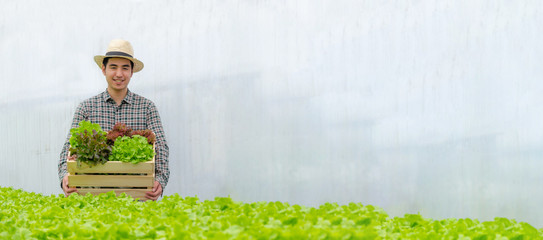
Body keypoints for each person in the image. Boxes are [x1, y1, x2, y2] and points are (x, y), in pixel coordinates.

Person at [57, 39, 169, 201]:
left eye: (125, 68)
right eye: (113, 67)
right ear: (104, 69)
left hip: (136, 195)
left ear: (131, 72)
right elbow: (69, 147)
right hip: (92, 195)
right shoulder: (86, 108)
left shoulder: (146, 107)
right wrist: (64, 178)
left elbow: (161, 148)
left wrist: (160, 179)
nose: (119, 74)